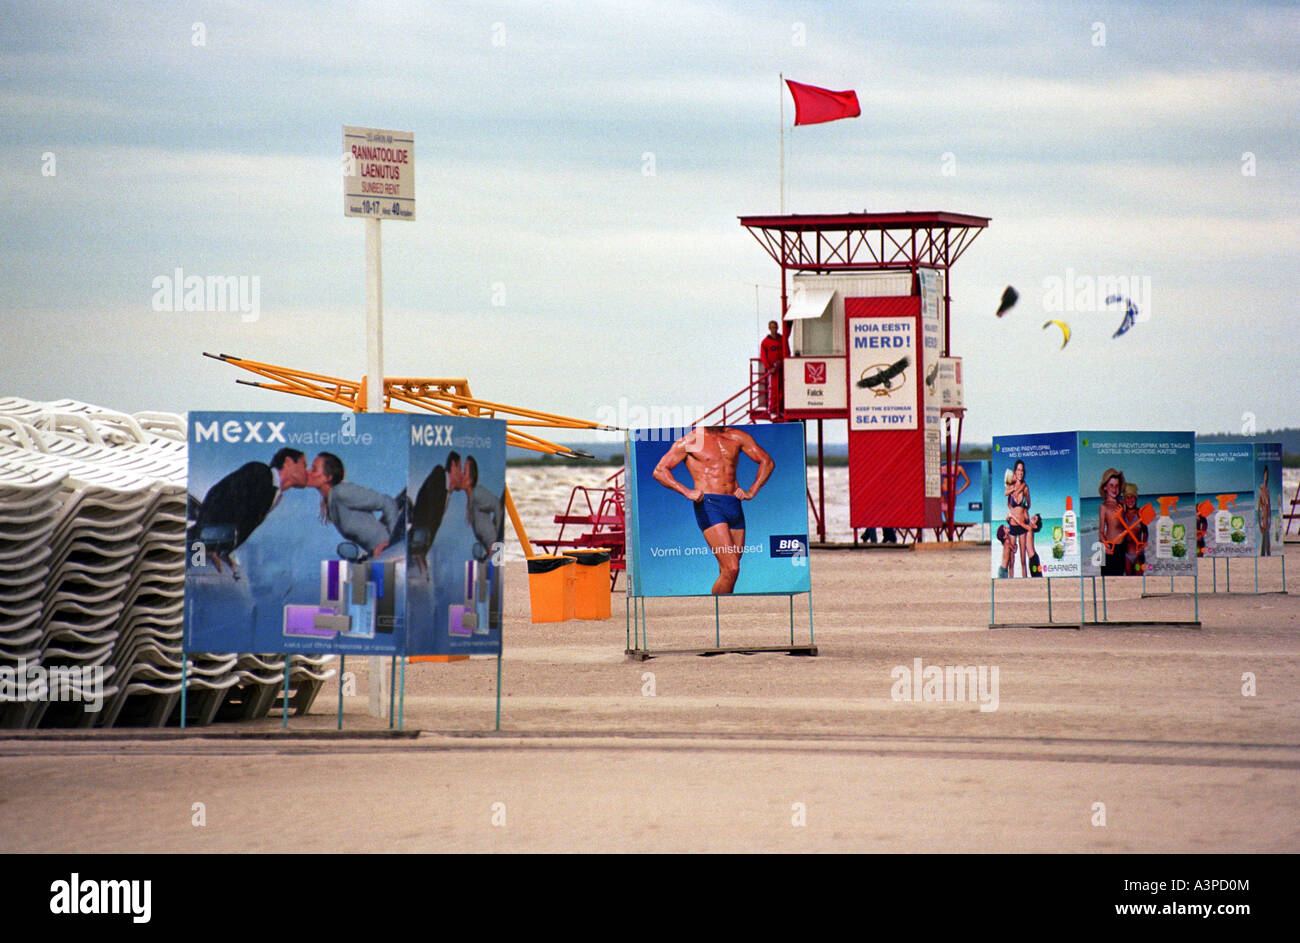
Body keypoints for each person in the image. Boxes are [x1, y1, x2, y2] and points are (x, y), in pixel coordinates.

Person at [652, 426, 775, 594]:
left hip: (734, 504)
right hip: (709, 505)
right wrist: (686, 491)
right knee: (732, 568)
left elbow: (767, 462)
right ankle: (718, 610)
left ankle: (718, 615)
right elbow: (659, 471)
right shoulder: (690, 441)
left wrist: (752, 491)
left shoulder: (737, 436)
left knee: (729, 569)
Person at [188, 447, 309, 578]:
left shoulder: (275, 495)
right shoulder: (259, 472)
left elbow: (242, 522)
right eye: (304, 465)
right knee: (194, 576)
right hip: (195, 546)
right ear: (288, 462)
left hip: (206, 550)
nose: (307, 472)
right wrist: (206, 542)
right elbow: (217, 494)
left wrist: (224, 551)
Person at [309, 451, 399, 560]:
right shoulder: (331, 501)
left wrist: (393, 544)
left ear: (328, 477)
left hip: (391, 554)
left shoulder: (341, 492)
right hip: (378, 556)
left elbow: (388, 502)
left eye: (314, 469)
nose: (308, 472)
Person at [409, 451, 461, 576]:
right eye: (459, 468)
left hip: (422, 541)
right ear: (453, 466)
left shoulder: (446, 491)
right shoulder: (439, 474)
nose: (461, 474)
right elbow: (430, 515)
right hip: (419, 538)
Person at [460, 455, 504, 562]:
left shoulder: (478, 493)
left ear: (470, 480)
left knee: (496, 576)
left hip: (495, 551)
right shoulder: (471, 500)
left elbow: (498, 505)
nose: (461, 475)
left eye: (464, 472)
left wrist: (497, 542)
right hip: (490, 552)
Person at [1098, 468, 1127, 575]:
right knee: (1107, 577)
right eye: (1111, 485)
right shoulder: (1104, 507)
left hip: (1122, 547)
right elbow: (1101, 531)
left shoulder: (1122, 504)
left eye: (1117, 485)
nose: (1114, 489)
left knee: (1120, 575)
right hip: (1109, 546)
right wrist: (1104, 544)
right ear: (1105, 487)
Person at [759, 320, 789, 418]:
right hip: (773, 371)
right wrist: (769, 368)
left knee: (782, 389)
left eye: (776, 327)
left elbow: (787, 351)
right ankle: (772, 410)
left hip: (782, 369)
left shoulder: (782, 339)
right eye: (772, 327)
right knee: (773, 390)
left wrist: (784, 362)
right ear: (769, 328)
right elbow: (763, 357)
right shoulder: (765, 342)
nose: (774, 329)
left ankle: (780, 409)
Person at [1120, 482, 1148, 575]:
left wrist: (1143, 545)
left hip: (1138, 555)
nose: (1130, 500)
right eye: (1127, 497)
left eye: (1132, 497)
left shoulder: (1140, 514)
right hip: (1126, 555)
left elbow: (1145, 532)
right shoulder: (1122, 515)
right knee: (1129, 577)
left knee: (1139, 575)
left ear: (1136, 498)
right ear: (1124, 499)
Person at [1258, 465, 1272, 557]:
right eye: (1265, 475)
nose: (1266, 477)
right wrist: (1259, 523)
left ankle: (1266, 552)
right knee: (1264, 533)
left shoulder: (1267, 489)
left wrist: (1270, 520)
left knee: (1266, 533)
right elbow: (1258, 507)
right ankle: (1264, 552)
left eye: (1267, 475)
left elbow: (1269, 505)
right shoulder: (1262, 489)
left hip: (1267, 514)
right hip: (1263, 514)